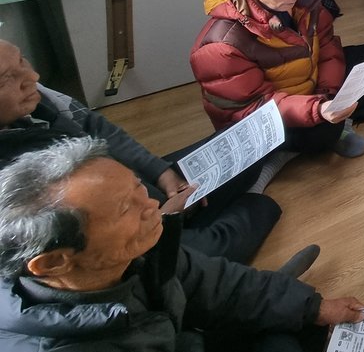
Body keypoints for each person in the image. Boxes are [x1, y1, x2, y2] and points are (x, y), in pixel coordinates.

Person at [0, 137, 364, 352]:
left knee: (298, 323)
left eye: (138, 187)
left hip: (180, 337)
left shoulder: (139, 251)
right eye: (125, 208)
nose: (152, 205)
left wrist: (312, 306)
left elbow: (214, 282)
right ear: (53, 263)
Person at [0, 39, 283, 267]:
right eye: (4, 80)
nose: (32, 77)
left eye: (22, 60)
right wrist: (157, 217)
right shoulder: (11, 183)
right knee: (249, 218)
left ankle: (201, 211)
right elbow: (83, 244)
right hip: (115, 232)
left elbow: (99, 128)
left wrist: (162, 173)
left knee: (244, 147)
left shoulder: (40, 98)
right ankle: (229, 207)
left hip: (134, 185)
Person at [190, 0, 364, 183]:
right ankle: (273, 157)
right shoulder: (221, 45)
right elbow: (254, 108)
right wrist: (317, 109)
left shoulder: (305, 3)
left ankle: (305, 138)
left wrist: (327, 95)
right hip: (258, 119)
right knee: (325, 131)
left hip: (303, 95)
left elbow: (328, 50)